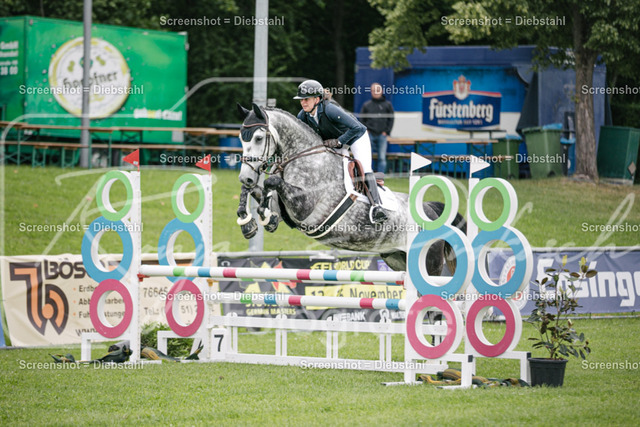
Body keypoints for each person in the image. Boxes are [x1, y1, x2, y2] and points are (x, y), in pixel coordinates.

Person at [294, 79, 388, 223]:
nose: (303, 103)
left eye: (306, 99)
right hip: (336, 142)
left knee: (364, 167)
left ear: (317, 99)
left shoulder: (330, 109)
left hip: (355, 137)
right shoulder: (303, 115)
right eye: (301, 100)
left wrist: (339, 141)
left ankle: (377, 207)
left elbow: (358, 128)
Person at [360, 82, 394, 174]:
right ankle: (368, 175)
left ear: (381, 91)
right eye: (373, 90)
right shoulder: (366, 105)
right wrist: (366, 131)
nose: (375, 92)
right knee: (367, 156)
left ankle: (380, 177)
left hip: (382, 135)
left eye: (377, 90)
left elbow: (391, 119)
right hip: (369, 135)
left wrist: (387, 131)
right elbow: (362, 119)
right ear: (371, 92)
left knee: (382, 157)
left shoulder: (387, 105)